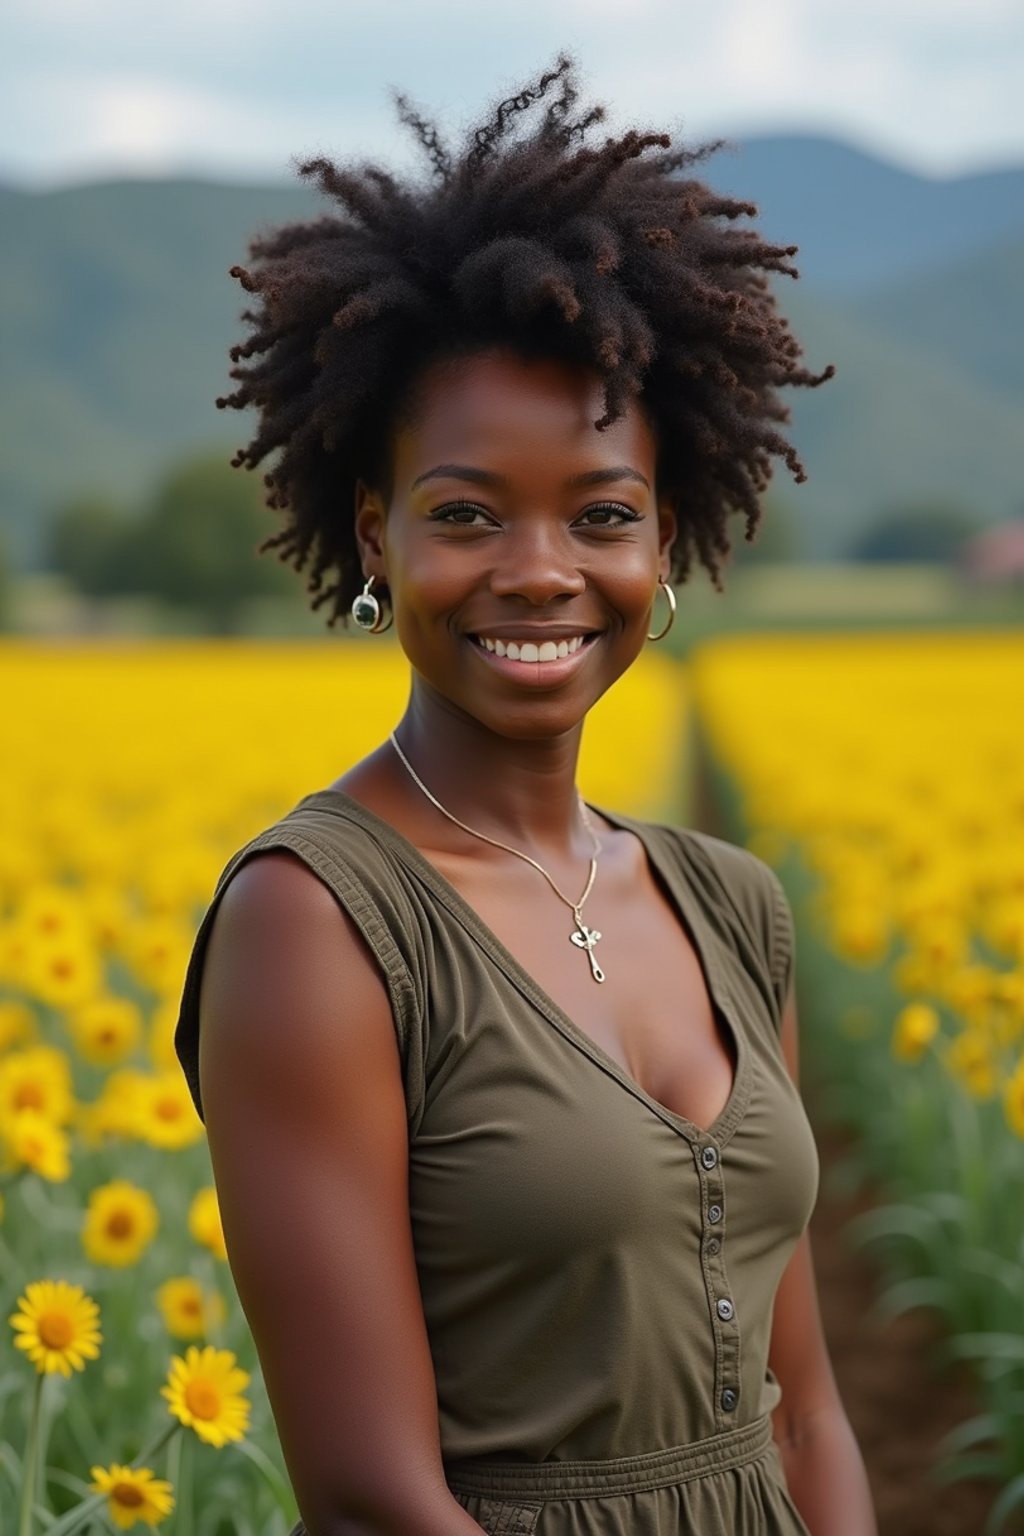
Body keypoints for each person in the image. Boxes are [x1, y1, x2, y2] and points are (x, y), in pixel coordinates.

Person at [173, 52, 876, 1536]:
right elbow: (373, 1500)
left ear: (667, 541)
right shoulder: (316, 923)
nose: (543, 570)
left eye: (602, 515)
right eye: (467, 514)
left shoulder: (731, 905)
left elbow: (806, 1405)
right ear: (376, 539)